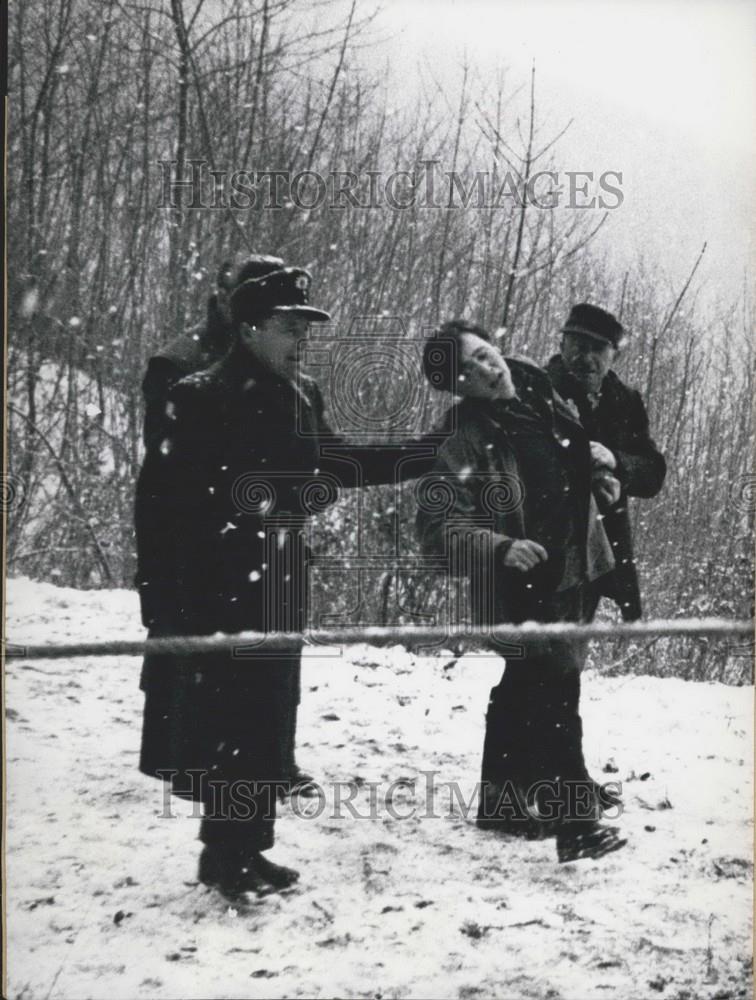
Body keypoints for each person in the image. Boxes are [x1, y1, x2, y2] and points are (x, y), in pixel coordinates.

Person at [135, 267, 435, 900]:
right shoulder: (200, 394)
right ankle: (224, 857)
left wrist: (423, 455)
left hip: (279, 576)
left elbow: (337, 461)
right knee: (227, 718)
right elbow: (160, 500)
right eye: (288, 326)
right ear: (248, 329)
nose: (302, 338)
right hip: (215, 582)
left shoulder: (301, 394)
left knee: (268, 714)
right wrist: (159, 595)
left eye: (305, 327)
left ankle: (249, 847)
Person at [416, 320, 626, 863]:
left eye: (485, 354)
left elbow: (565, 466)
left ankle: (502, 801)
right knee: (555, 693)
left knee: (532, 686)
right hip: (522, 585)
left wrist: (600, 482)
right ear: (457, 386)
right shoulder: (462, 439)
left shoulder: (539, 393)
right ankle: (575, 822)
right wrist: (499, 547)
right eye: (469, 370)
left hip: (576, 569)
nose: (487, 370)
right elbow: (436, 532)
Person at [545, 303, 667, 622]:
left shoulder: (624, 401)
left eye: (597, 349)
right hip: (546, 539)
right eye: (578, 346)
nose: (586, 358)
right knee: (539, 642)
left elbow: (652, 474)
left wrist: (614, 460)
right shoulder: (540, 390)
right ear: (561, 345)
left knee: (571, 642)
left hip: (599, 548)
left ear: (615, 355)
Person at [141, 254, 283, 450]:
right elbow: (168, 456)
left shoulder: (278, 357)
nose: (269, 315)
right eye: (255, 302)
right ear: (224, 299)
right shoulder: (176, 365)